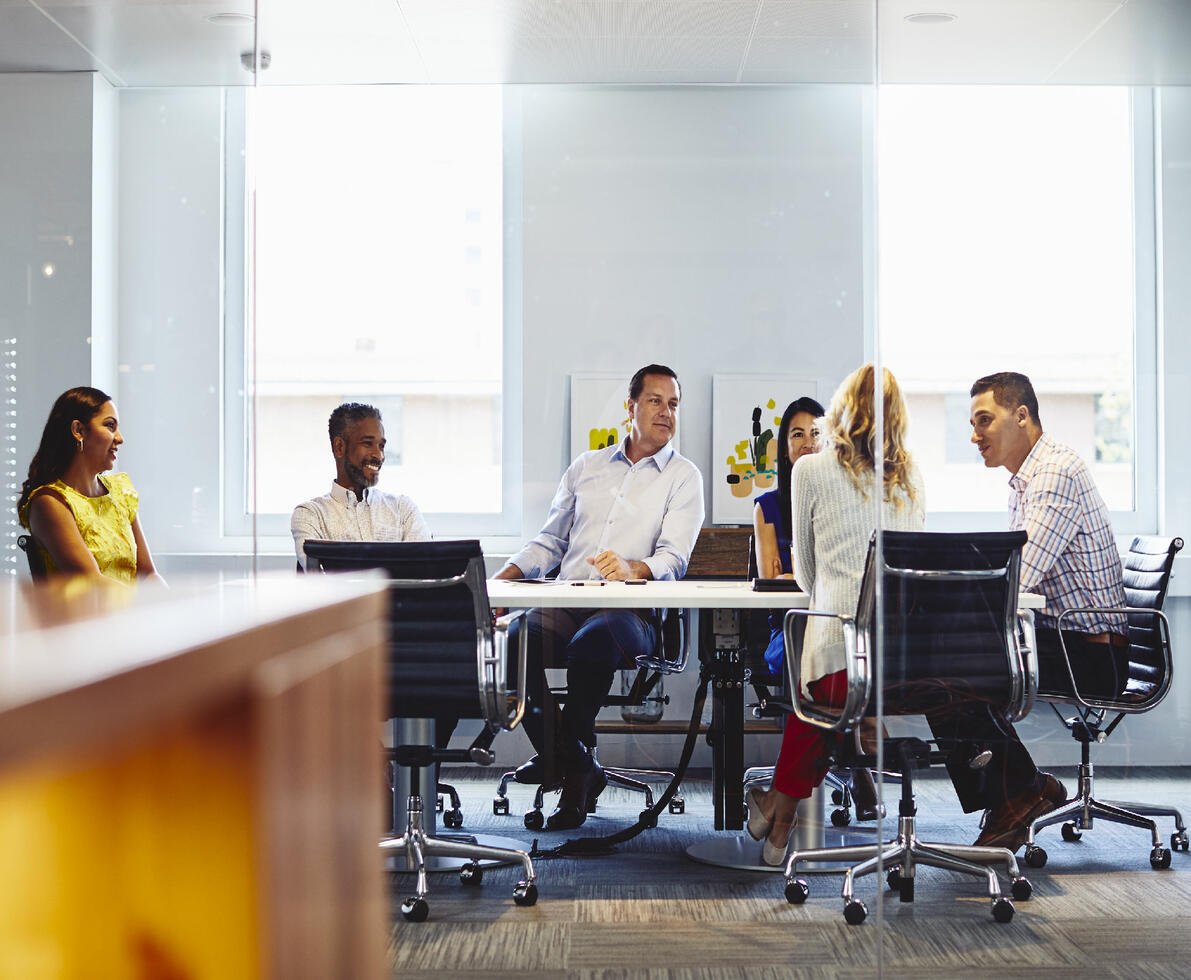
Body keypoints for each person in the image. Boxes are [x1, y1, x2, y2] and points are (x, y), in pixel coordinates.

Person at [495, 364, 704, 831]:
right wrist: (501, 581)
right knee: (511, 640)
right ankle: (572, 761)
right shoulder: (586, 468)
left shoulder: (683, 477)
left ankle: (567, 777)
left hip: (632, 611)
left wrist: (634, 570)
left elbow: (675, 557)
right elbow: (550, 543)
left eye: (673, 404)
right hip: (567, 601)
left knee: (592, 643)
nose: (666, 412)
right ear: (630, 407)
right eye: (655, 401)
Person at [925, 371, 1127, 852]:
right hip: (1063, 640)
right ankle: (1022, 791)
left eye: (984, 421)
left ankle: (1020, 795)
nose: (974, 435)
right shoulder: (1027, 480)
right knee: (943, 664)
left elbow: (1019, 581)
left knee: (945, 669)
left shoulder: (1055, 473)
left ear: (1021, 416)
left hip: (1091, 656)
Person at [745, 365, 925, 866]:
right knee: (830, 701)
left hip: (837, 659)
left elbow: (806, 579)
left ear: (839, 412)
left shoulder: (811, 470)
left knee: (823, 693)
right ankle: (777, 823)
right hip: (902, 665)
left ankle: (777, 818)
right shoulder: (912, 478)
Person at [18, 386, 163, 587]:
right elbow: (93, 586)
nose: (120, 438)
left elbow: (148, 574)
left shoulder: (120, 491)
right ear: (79, 431)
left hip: (132, 615)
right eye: (110, 426)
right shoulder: (49, 503)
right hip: (88, 618)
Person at [291, 402, 430, 569]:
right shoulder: (310, 515)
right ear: (339, 447)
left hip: (404, 597)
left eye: (381, 446)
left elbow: (425, 573)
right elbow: (320, 583)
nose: (379, 456)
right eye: (368, 443)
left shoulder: (403, 509)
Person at [752, 396, 825, 673]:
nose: (808, 442)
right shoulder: (766, 507)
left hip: (833, 618)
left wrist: (795, 576)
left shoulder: (841, 502)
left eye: (816, 432)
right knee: (809, 646)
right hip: (789, 625)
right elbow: (772, 583)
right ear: (785, 448)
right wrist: (817, 577)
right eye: (798, 434)